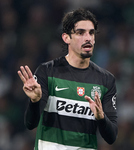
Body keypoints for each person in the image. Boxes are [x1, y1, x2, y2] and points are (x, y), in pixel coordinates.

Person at [17, 8, 118, 150]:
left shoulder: (106, 80)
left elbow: (111, 137)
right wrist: (35, 101)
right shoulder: (47, 72)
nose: (88, 38)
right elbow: (30, 124)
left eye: (91, 32)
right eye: (80, 33)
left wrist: (101, 118)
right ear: (66, 38)